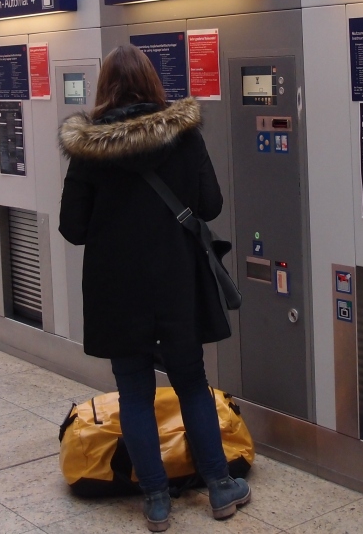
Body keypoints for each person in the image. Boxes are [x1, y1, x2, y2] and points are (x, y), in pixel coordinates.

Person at [58, 45, 250, 532]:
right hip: (176, 283)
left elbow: (72, 227)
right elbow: (210, 204)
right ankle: (220, 487)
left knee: (134, 392)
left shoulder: (89, 149)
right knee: (191, 382)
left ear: (105, 87)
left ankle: (157, 501)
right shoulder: (183, 135)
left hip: (116, 288)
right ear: (151, 82)